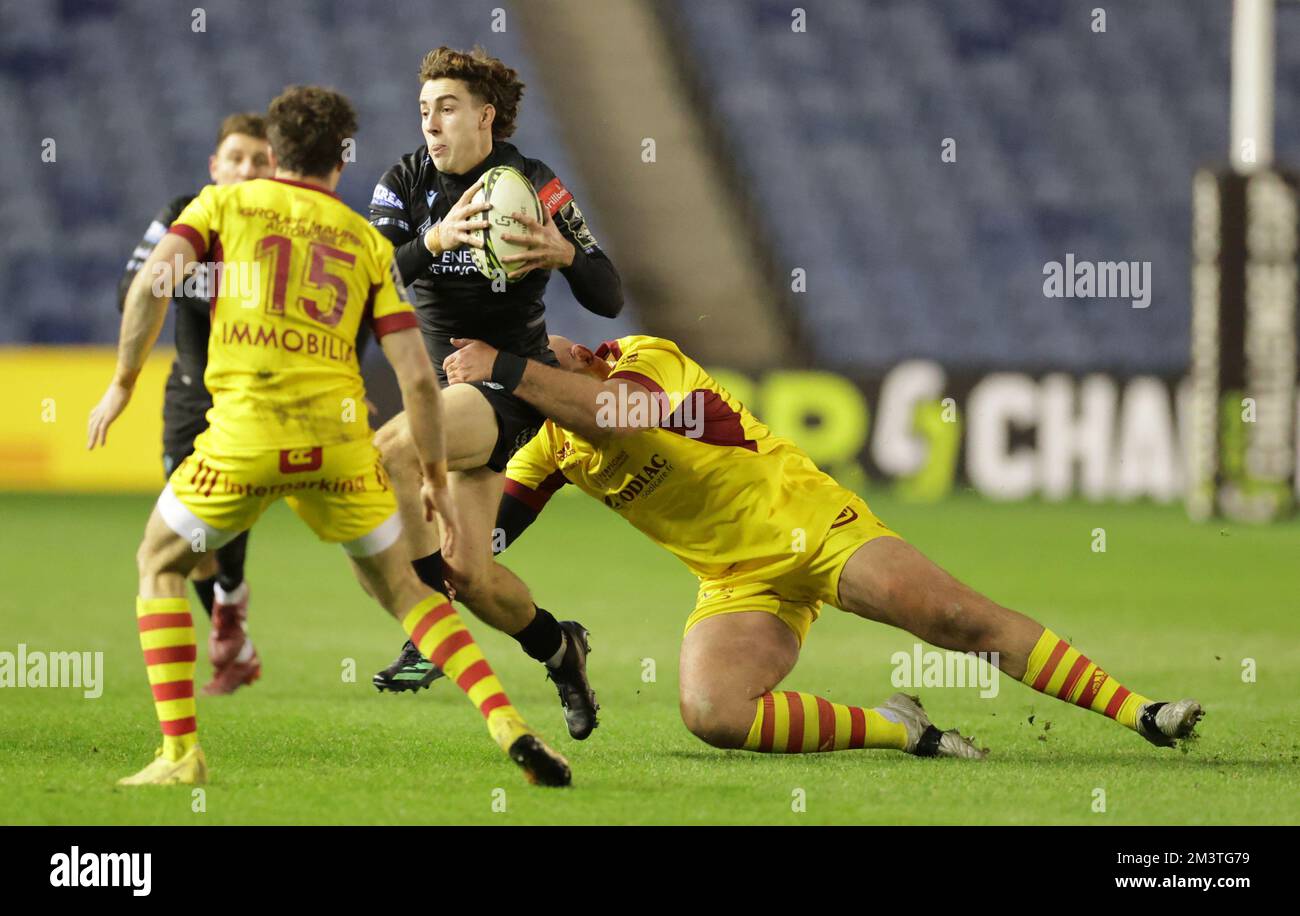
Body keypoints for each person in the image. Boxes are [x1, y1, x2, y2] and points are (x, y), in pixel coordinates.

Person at [406, 332, 1205, 758]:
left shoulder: (642, 362)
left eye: (549, 372)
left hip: (816, 529)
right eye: (531, 392)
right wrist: (447, 561)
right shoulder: (547, 448)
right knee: (712, 714)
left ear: (579, 357)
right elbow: (494, 537)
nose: (545, 396)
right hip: (735, 582)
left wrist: (506, 366)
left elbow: (629, 416)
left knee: (959, 621)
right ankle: (903, 729)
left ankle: (1140, 712)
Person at [87, 85, 569, 788]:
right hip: (339, 445)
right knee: (406, 591)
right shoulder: (362, 243)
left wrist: (125, 381)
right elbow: (414, 377)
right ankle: (509, 724)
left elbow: (151, 286)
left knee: (159, 562)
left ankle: (180, 754)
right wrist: (433, 476)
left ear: (272, 153)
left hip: (244, 440)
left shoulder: (221, 205)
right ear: (340, 162)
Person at [367, 46, 622, 741]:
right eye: (423, 110)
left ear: (486, 116)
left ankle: (427, 626)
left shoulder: (535, 186)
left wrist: (566, 255)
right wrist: (434, 238)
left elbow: (608, 294)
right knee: (475, 576)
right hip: (443, 392)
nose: (431, 123)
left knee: (391, 453)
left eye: (446, 108)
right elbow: (368, 280)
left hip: (507, 392)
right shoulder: (405, 182)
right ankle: (559, 647)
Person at [116, 113, 274, 695]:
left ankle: (230, 614)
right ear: (215, 167)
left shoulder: (282, 228)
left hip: (253, 397)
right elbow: (127, 290)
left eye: (260, 160)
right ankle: (234, 625)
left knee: (222, 516)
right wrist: (182, 270)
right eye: (236, 158)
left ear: (276, 169)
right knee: (192, 534)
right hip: (190, 395)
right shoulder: (185, 215)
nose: (247, 169)